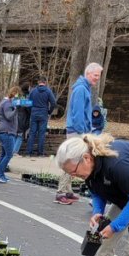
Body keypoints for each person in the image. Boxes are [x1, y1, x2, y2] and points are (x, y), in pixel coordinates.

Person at [55, 62, 102, 205]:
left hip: (79, 130)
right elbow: (78, 114)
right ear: (88, 74)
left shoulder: (84, 88)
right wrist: (83, 133)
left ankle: (67, 190)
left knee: (75, 159)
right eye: (95, 75)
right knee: (72, 160)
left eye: (98, 76)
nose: (97, 79)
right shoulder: (81, 89)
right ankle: (61, 192)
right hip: (77, 131)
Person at [26, 77, 56, 158]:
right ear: (45, 82)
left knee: (32, 133)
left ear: (38, 82)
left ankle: (28, 153)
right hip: (43, 114)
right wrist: (49, 111)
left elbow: (28, 103)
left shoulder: (33, 91)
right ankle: (40, 153)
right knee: (41, 134)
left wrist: (30, 111)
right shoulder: (48, 91)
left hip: (34, 113)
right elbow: (53, 103)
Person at [0, 85, 20, 184]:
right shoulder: (7, 103)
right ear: (14, 94)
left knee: (4, 154)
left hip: (4, 131)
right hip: (7, 132)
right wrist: (16, 109)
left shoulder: (6, 103)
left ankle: (0, 174)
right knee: (9, 154)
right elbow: (9, 116)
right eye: (18, 96)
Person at [13, 83, 31, 155]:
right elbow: (29, 109)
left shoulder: (17, 96)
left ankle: (11, 150)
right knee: (20, 136)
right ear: (27, 88)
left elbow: (13, 105)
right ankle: (14, 152)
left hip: (14, 118)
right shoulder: (26, 97)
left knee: (14, 135)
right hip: (22, 118)